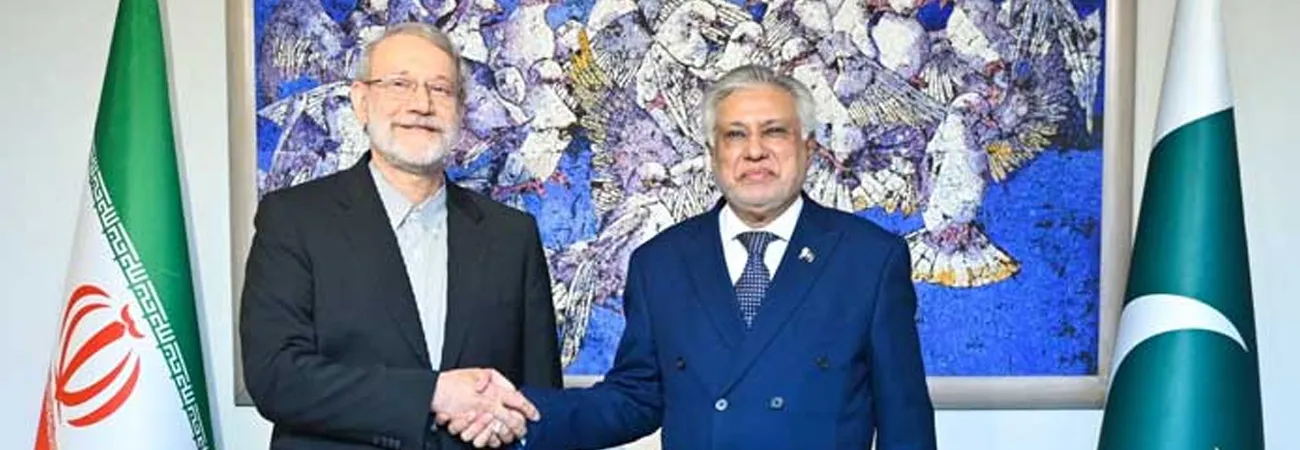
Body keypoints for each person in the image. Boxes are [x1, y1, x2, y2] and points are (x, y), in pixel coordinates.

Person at [449, 64, 937, 449]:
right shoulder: (659, 264)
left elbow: (906, 423)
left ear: (808, 148)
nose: (754, 151)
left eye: (774, 131)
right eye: (735, 135)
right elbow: (634, 398)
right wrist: (519, 413)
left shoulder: (869, 260)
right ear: (712, 153)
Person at [239, 22, 560, 450]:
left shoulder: (511, 235)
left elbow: (541, 399)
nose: (421, 104)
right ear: (361, 102)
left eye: (440, 89)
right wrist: (432, 395)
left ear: (460, 111)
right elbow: (278, 377)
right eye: (399, 84)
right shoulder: (294, 219)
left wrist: (511, 422)